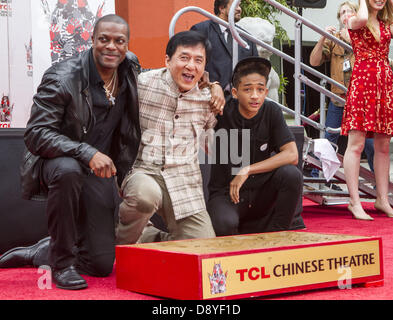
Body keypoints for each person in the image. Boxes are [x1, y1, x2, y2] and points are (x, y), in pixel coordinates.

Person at [0, 14, 141, 290]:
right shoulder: (62, 77)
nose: (111, 47)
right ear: (91, 40)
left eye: (119, 41)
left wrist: (211, 86)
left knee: (101, 265)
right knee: (68, 169)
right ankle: (61, 264)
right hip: (53, 160)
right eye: (104, 39)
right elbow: (36, 134)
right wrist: (84, 151)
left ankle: (42, 251)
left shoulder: (129, 69)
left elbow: (160, 79)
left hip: (96, 168)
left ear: (126, 46)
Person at [116, 31, 225, 245]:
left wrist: (215, 86)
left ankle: (148, 237)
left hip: (184, 180)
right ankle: (118, 245)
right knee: (145, 196)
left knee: (203, 247)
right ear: (167, 60)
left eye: (198, 60)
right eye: (184, 58)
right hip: (142, 170)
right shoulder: (141, 84)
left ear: (204, 67)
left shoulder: (208, 100)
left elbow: (212, 133)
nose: (191, 66)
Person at [207, 57, 303, 236]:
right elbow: (197, 86)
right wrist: (214, 85)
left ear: (266, 92)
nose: (254, 95)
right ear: (235, 93)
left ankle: (278, 236)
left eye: (260, 89)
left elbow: (292, 155)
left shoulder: (271, 111)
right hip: (227, 193)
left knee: (291, 174)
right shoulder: (223, 111)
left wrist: (247, 170)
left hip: (261, 194)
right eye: (248, 89)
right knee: (224, 224)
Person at [310, 1, 375, 179]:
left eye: (349, 11)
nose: (345, 14)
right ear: (339, 19)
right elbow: (314, 62)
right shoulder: (333, 39)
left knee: (369, 143)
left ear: (356, 15)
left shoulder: (364, 37)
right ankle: (318, 177)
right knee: (328, 140)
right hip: (338, 98)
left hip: (361, 100)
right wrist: (323, 37)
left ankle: (379, 184)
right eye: (342, 13)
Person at [341, 0, 393, 220]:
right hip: (363, 81)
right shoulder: (353, 19)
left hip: (384, 83)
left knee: (383, 145)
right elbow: (362, 18)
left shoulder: (386, 21)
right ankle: (354, 201)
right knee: (357, 143)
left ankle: (382, 198)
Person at [191, 0, 258, 100]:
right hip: (208, 100)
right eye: (235, 6)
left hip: (239, 103)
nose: (239, 9)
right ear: (221, 8)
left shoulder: (247, 38)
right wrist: (211, 85)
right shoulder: (201, 30)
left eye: (239, 6)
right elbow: (191, 64)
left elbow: (255, 70)